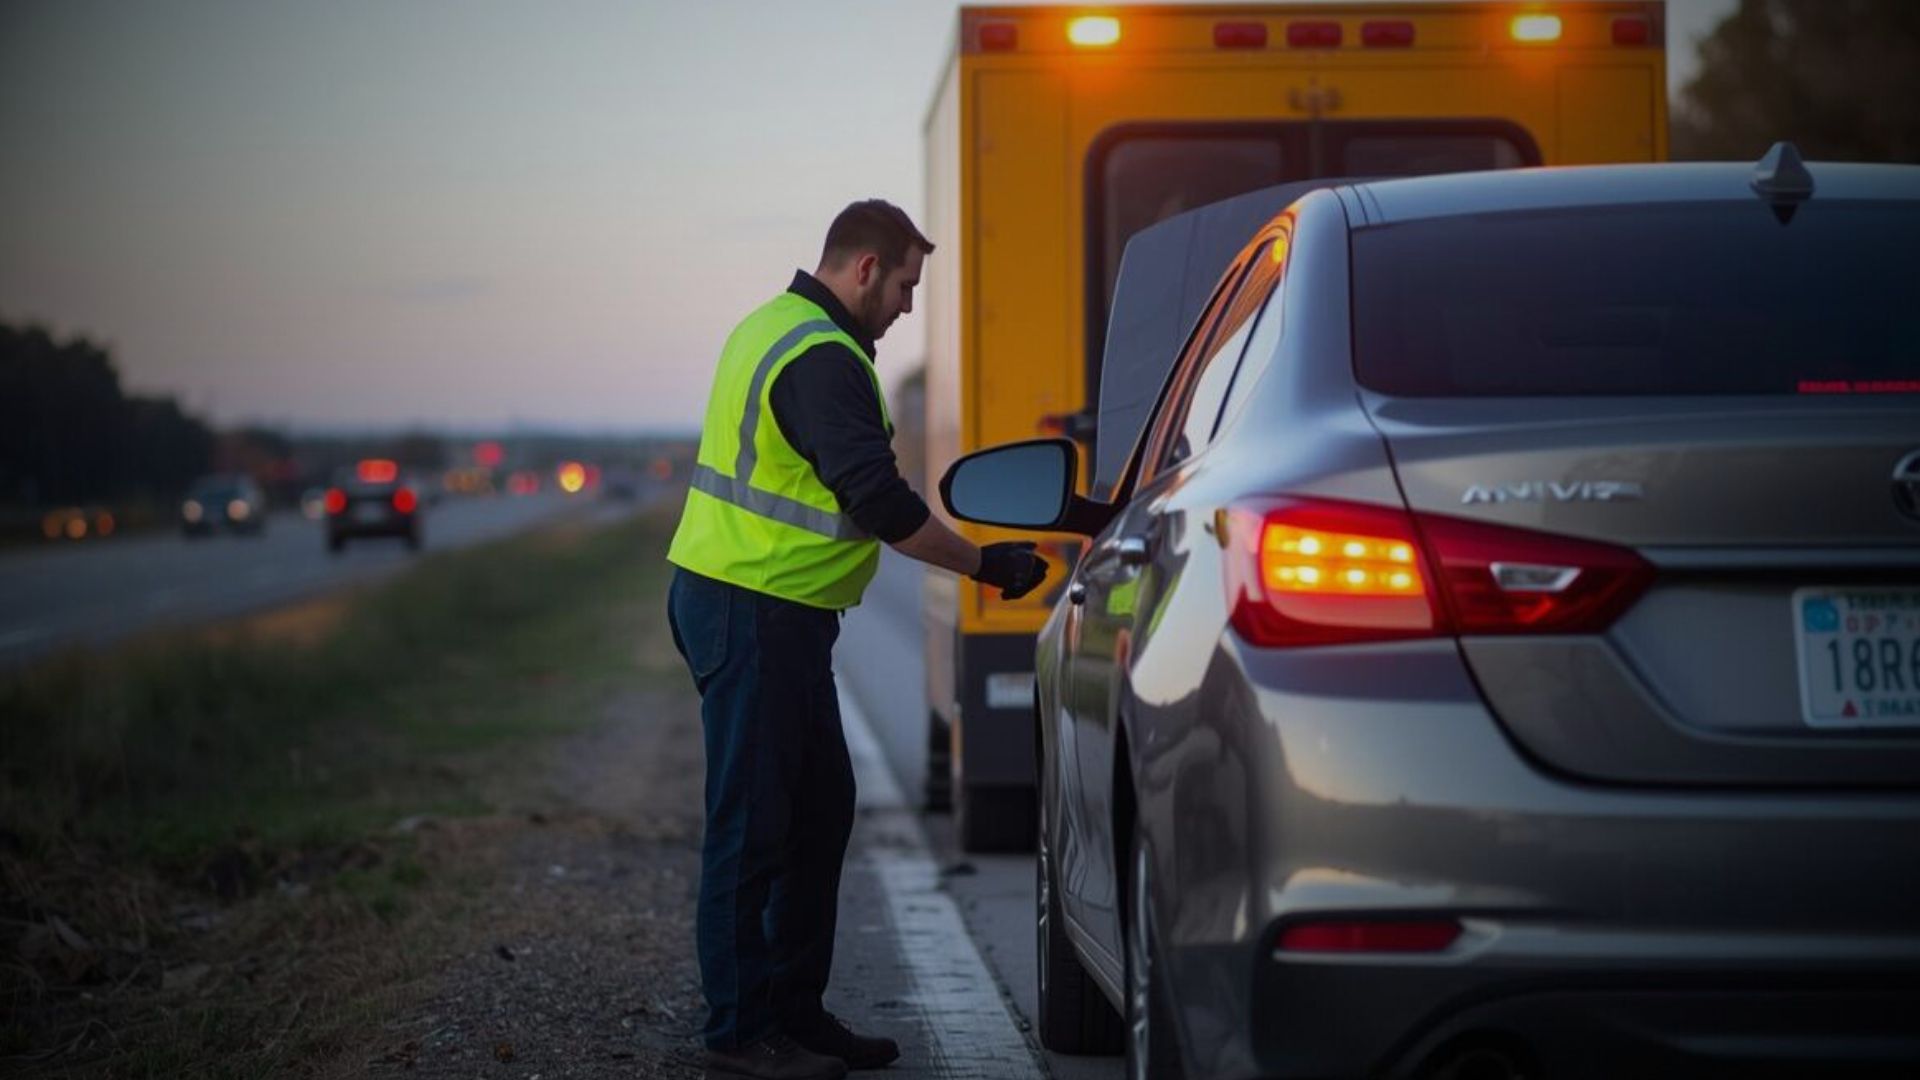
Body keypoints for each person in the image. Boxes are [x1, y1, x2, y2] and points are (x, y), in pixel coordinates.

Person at [665, 199, 1049, 1080]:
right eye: (908, 284)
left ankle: (793, 1014)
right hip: (751, 608)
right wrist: (987, 566)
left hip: (767, 612)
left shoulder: (779, 327)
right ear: (866, 268)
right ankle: (738, 1033)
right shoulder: (819, 356)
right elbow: (878, 505)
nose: (910, 305)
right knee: (754, 826)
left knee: (818, 813)